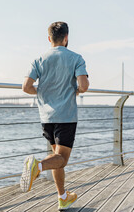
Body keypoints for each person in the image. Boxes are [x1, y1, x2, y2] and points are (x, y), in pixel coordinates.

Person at [20, 21, 89, 211]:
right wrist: (75, 90)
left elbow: (26, 87)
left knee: (57, 158)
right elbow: (83, 86)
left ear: (49, 38)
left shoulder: (39, 60)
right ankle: (37, 166)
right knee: (62, 159)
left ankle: (63, 197)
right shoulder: (76, 58)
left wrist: (43, 92)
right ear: (66, 38)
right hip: (66, 116)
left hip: (46, 117)